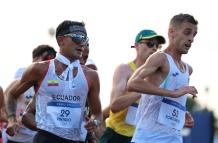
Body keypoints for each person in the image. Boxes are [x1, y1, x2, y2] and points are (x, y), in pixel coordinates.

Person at [5, 20, 102, 143]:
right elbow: (12, 95)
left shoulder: (91, 76)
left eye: (85, 39)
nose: (82, 43)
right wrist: (11, 120)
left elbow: (97, 114)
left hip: (75, 140)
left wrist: (95, 122)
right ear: (61, 40)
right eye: (78, 37)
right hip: (46, 139)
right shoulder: (39, 69)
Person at [127, 13, 198, 143]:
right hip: (148, 137)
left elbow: (169, 100)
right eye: (187, 33)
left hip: (174, 136)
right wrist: (173, 94)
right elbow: (132, 83)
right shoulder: (160, 58)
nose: (191, 39)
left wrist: (182, 112)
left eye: (194, 35)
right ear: (172, 32)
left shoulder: (188, 69)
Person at [100, 29, 166, 143]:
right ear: (136, 46)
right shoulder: (125, 69)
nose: (154, 48)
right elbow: (115, 105)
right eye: (150, 44)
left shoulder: (159, 76)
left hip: (143, 137)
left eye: (157, 45)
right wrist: (144, 90)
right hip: (117, 135)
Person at [4, 45, 56, 143]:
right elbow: (7, 97)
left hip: (37, 139)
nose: (48, 64)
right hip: (17, 139)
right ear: (34, 59)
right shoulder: (20, 81)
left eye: (52, 60)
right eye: (46, 59)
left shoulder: (53, 83)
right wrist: (12, 120)